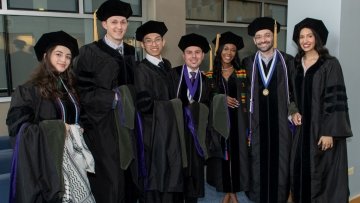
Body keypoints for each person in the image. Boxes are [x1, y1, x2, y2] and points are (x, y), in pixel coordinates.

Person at [6, 31, 95, 202]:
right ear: (46, 56)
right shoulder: (28, 90)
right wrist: (59, 129)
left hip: (74, 160)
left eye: (68, 56)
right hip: (47, 164)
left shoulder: (70, 89)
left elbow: (78, 117)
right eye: (59, 54)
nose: (64, 60)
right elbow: (19, 129)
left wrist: (80, 127)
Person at [73, 0, 140, 202]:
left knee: (130, 174)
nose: (119, 26)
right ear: (104, 24)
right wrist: (114, 98)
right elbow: (81, 92)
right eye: (114, 22)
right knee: (110, 177)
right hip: (103, 126)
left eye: (123, 22)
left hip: (128, 125)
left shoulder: (131, 52)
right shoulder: (88, 52)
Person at [290, 17, 352, 203]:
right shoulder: (296, 64)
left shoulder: (330, 64)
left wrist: (329, 132)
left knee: (323, 175)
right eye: (302, 36)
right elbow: (291, 95)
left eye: (310, 36)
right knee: (299, 169)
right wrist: (293, 112)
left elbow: (336, 101)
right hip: (302, 133)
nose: (305, 40)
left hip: (322, 131)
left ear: (317, 38)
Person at [242, 17, 294, 203]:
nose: (263, 40)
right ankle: (258, 196)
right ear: (254, 40)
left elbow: (295, 92)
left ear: (273, 36)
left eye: (267, 35)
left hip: (281, 123)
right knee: (257, 158)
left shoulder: (288, 61)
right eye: (259, 37)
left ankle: (281, 196)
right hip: (256, 122)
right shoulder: (247, 63)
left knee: (281, 160)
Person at [134, 20, 183, 202]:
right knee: (157, 170)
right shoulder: (141, 69)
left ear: (163, 42)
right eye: (149, 40)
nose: (154, 44)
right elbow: (144, 104)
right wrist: (171, 105)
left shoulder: (167, 65)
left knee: (172, 166)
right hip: (153, 130)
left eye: (157, 39)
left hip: (170, 127)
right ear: (142, 44)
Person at [205, 31, 249, 203]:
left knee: (238, 156)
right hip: (218, 124)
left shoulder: (242, 73)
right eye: (225, 49)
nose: (229, 53)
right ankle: (226, 191)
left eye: (232, 50)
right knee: (222, 157)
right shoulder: (209, 75)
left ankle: (234, 191)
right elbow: (206, 100)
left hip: (238, 121)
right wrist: (220, 100)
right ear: (219, 51)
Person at [169, 33, 211, 203]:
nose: (193, 56)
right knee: (178, 173)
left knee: (195, 172)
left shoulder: (207, 81)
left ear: (203, 55)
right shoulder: (172, 75)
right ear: (183, 55)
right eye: (189, 52)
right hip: (177, 134)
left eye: (197, 52)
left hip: (196, 138)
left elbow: (208, 107)